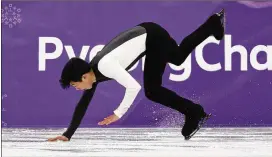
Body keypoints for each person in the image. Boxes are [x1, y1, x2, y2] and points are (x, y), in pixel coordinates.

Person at [47, 9, 225, 142]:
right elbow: (82, 105)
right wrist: (67, 134)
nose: (76, 89)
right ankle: (213, 23)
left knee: (152, 90)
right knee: (177, 58)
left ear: (84, 76)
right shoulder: (93, 72)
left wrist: (118, 113)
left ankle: (194, 112)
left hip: (153, 37)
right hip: (149, 32)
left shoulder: (105, 66)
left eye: (74, 84)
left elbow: (134, 87)